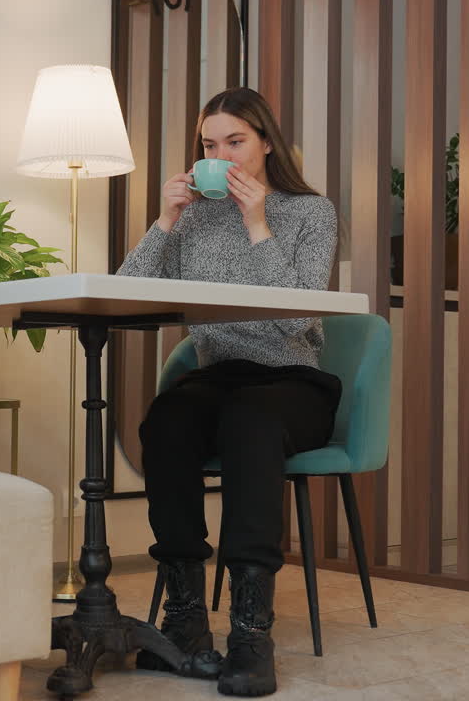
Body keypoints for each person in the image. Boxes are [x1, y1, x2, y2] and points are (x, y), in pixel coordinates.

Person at [116, 87, 341, 697]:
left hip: (292, 381)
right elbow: (124, 293)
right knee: (166, 420)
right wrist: (164, 221)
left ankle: (250, 632)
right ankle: (185, 622)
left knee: (252, 422)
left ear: (266, 142)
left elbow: (299, 320)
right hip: (219, 377)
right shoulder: (193, 216)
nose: (222, 155)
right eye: (209, 146)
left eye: (235, 142)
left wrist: (257, 222)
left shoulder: (309, 212)